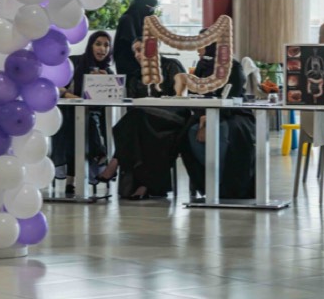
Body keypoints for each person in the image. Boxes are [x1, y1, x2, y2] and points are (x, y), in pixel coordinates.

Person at [98, 40, 189, 200]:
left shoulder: (171, 65)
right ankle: (144, 186)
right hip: (145, 122)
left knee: (136, 117)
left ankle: (115, 161)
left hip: (173, 116)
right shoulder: (135, 75)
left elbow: (180, 96)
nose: (137, 55)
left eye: (140, 49)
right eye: (135, 51)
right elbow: (132, 104)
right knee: (140, 127)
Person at [180, 35, 256, 200]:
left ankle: (224, 184)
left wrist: (209, 119)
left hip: (234, 114)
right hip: (204, 115)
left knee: (222, 131)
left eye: (201, 45)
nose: (198, 49)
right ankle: (212, 180)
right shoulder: (202, 67)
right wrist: (203, 117)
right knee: (189, 133)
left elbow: (233, 97)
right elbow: (194, 95)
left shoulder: (233, 67)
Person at [52, 30, 113, 197]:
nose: (102, 49)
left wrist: (104, 83)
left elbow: (111, 99)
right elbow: (57, 87)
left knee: (88, 120)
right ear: (90, 45)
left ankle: (71, 180)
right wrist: (74, 97)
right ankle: (99, 152)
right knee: (77, 123)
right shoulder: (75, 63)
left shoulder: (108, 72)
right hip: (68, 112)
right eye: (98, 44)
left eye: (106, 45)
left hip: (94, 115)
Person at [113, 0, 159, 81]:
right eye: (150, 8)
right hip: (129, 68)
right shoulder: (127, 19)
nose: (151, 11)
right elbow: (133, 45)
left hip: (139, 67)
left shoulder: (141, 20)